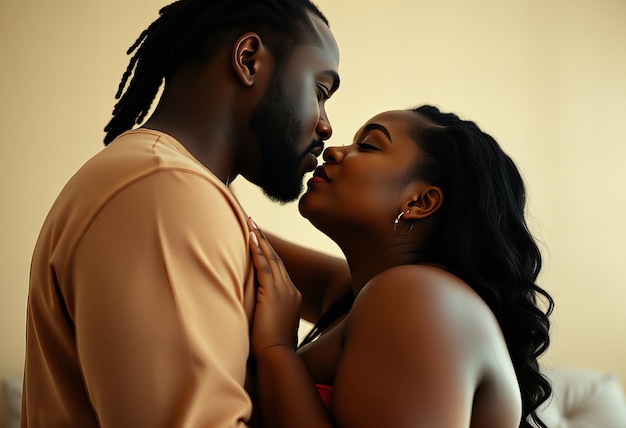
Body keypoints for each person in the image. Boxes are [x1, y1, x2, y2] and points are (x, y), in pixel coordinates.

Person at [21, 0, 339, 426]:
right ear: (248, 60)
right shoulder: (163, 190)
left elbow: (345, 292)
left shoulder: (171, 188)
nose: (326, 126)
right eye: (320, 91)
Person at [248, 105, 554, 428]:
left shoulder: (417, 297)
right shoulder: (361, 293)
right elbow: (234, 230)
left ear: (419, 202)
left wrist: (276, 350)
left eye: (367, 146)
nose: (335, 151)